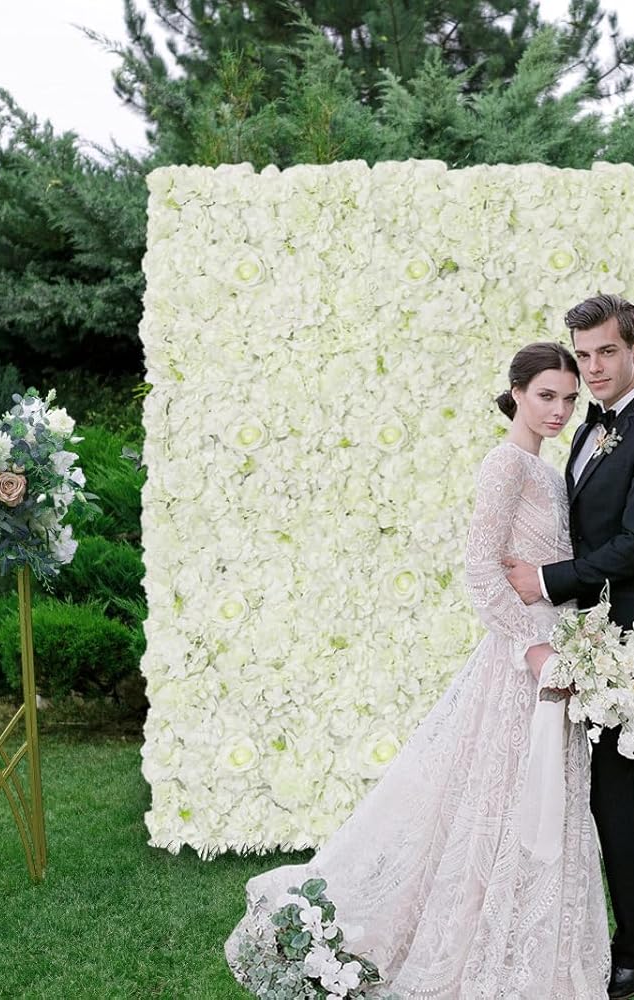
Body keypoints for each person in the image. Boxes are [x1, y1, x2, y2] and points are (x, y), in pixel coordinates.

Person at [225, 342, 610, 999]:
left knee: (539, 802)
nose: (559, 409)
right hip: (522, 660)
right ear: (516, 391)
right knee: (493, 801)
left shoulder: (548, 473)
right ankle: (397, 932)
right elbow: (481, 571)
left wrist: (578, 640)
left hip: (558, 651)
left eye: (570, 398)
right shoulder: (505, 465)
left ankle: (528, 943)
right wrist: (534, 650)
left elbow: (550, 569)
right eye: (547, 394)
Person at [504, 294, 634, 1000]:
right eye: (583, 357)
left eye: (605, 352)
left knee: (618, 800)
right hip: (599, 636)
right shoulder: (589, 429)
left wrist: (548, 581)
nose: (594, 369)